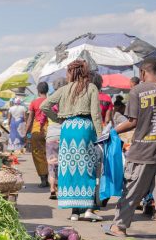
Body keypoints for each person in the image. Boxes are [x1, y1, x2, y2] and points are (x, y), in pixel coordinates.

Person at [103, 57, 156, 240]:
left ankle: (119, 227)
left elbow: (133, 122)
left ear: (142, 73)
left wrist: (111, 132)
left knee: (132, 190)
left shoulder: (137, 91)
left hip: (141, 151)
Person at [41, 59, 103, 221]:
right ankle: (89, 209)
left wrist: (60, 119)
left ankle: (74, 212)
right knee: (87, 167)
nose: (66, 75)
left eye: (68, 72)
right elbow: (96, 115)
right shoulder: (91, 88)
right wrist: (101, 136)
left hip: (68, 130)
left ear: (73, 72)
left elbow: (44, 106)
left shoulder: (64, 90)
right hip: (85, 129)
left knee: (71, 168)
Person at [45, 79, 66, 200]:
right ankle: (63, 189)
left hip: (51, 134)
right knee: (64, 163)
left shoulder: (51, 100)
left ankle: (52, 189)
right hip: (64, 133)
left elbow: (43, 116)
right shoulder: (67, 100)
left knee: (52, 163)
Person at [26, 87, 50, 187]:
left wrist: (26, 134)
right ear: (47, 90)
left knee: (38, 154)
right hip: (50, 129)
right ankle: (52, 179)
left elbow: (30, 119)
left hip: (37, 130)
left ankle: (43, 179)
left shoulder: (34, 102)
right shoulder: (51, 100)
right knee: (50, 154)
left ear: (38, 91)